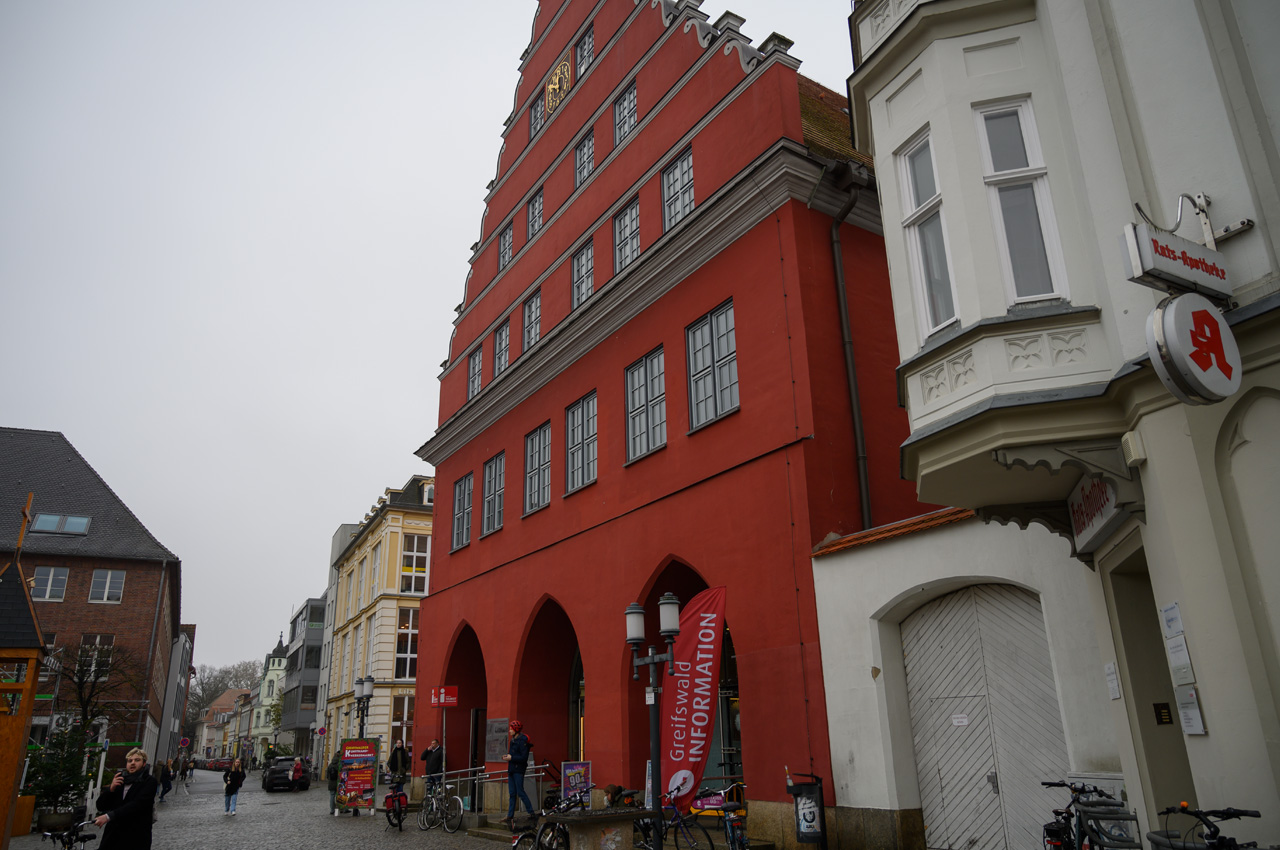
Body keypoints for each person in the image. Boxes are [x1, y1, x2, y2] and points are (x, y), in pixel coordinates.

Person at [93, 747, 158, 849]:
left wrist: (109, 816)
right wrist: (111, 789)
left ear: (144, 763)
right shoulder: (120, 780)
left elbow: (138, 804)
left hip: (135, 836)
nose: (133, 763)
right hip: (113, 837)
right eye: (130, 761)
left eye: (137, 760)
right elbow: (100, 806)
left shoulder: (149, 781)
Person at [502, 720, 535, 830]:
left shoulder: (522, 741)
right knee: (512, 793)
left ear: (516, 730)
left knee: (520, 791)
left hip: (518, 770)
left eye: (511, 729)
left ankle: (531, 812)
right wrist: (508, 757)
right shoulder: (513, 740)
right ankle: (510, 815)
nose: (509, 730)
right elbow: (513, 754)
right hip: (512, 769)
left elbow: (523, 757)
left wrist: (511, 758)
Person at [327, 751, 342, 816]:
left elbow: (327, 775)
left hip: (331, 782)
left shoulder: (330, 765)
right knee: (340, 796)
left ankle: (332, 809)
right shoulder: (339, 764)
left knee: (332, 796)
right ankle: (341, 808)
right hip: (338, 782)